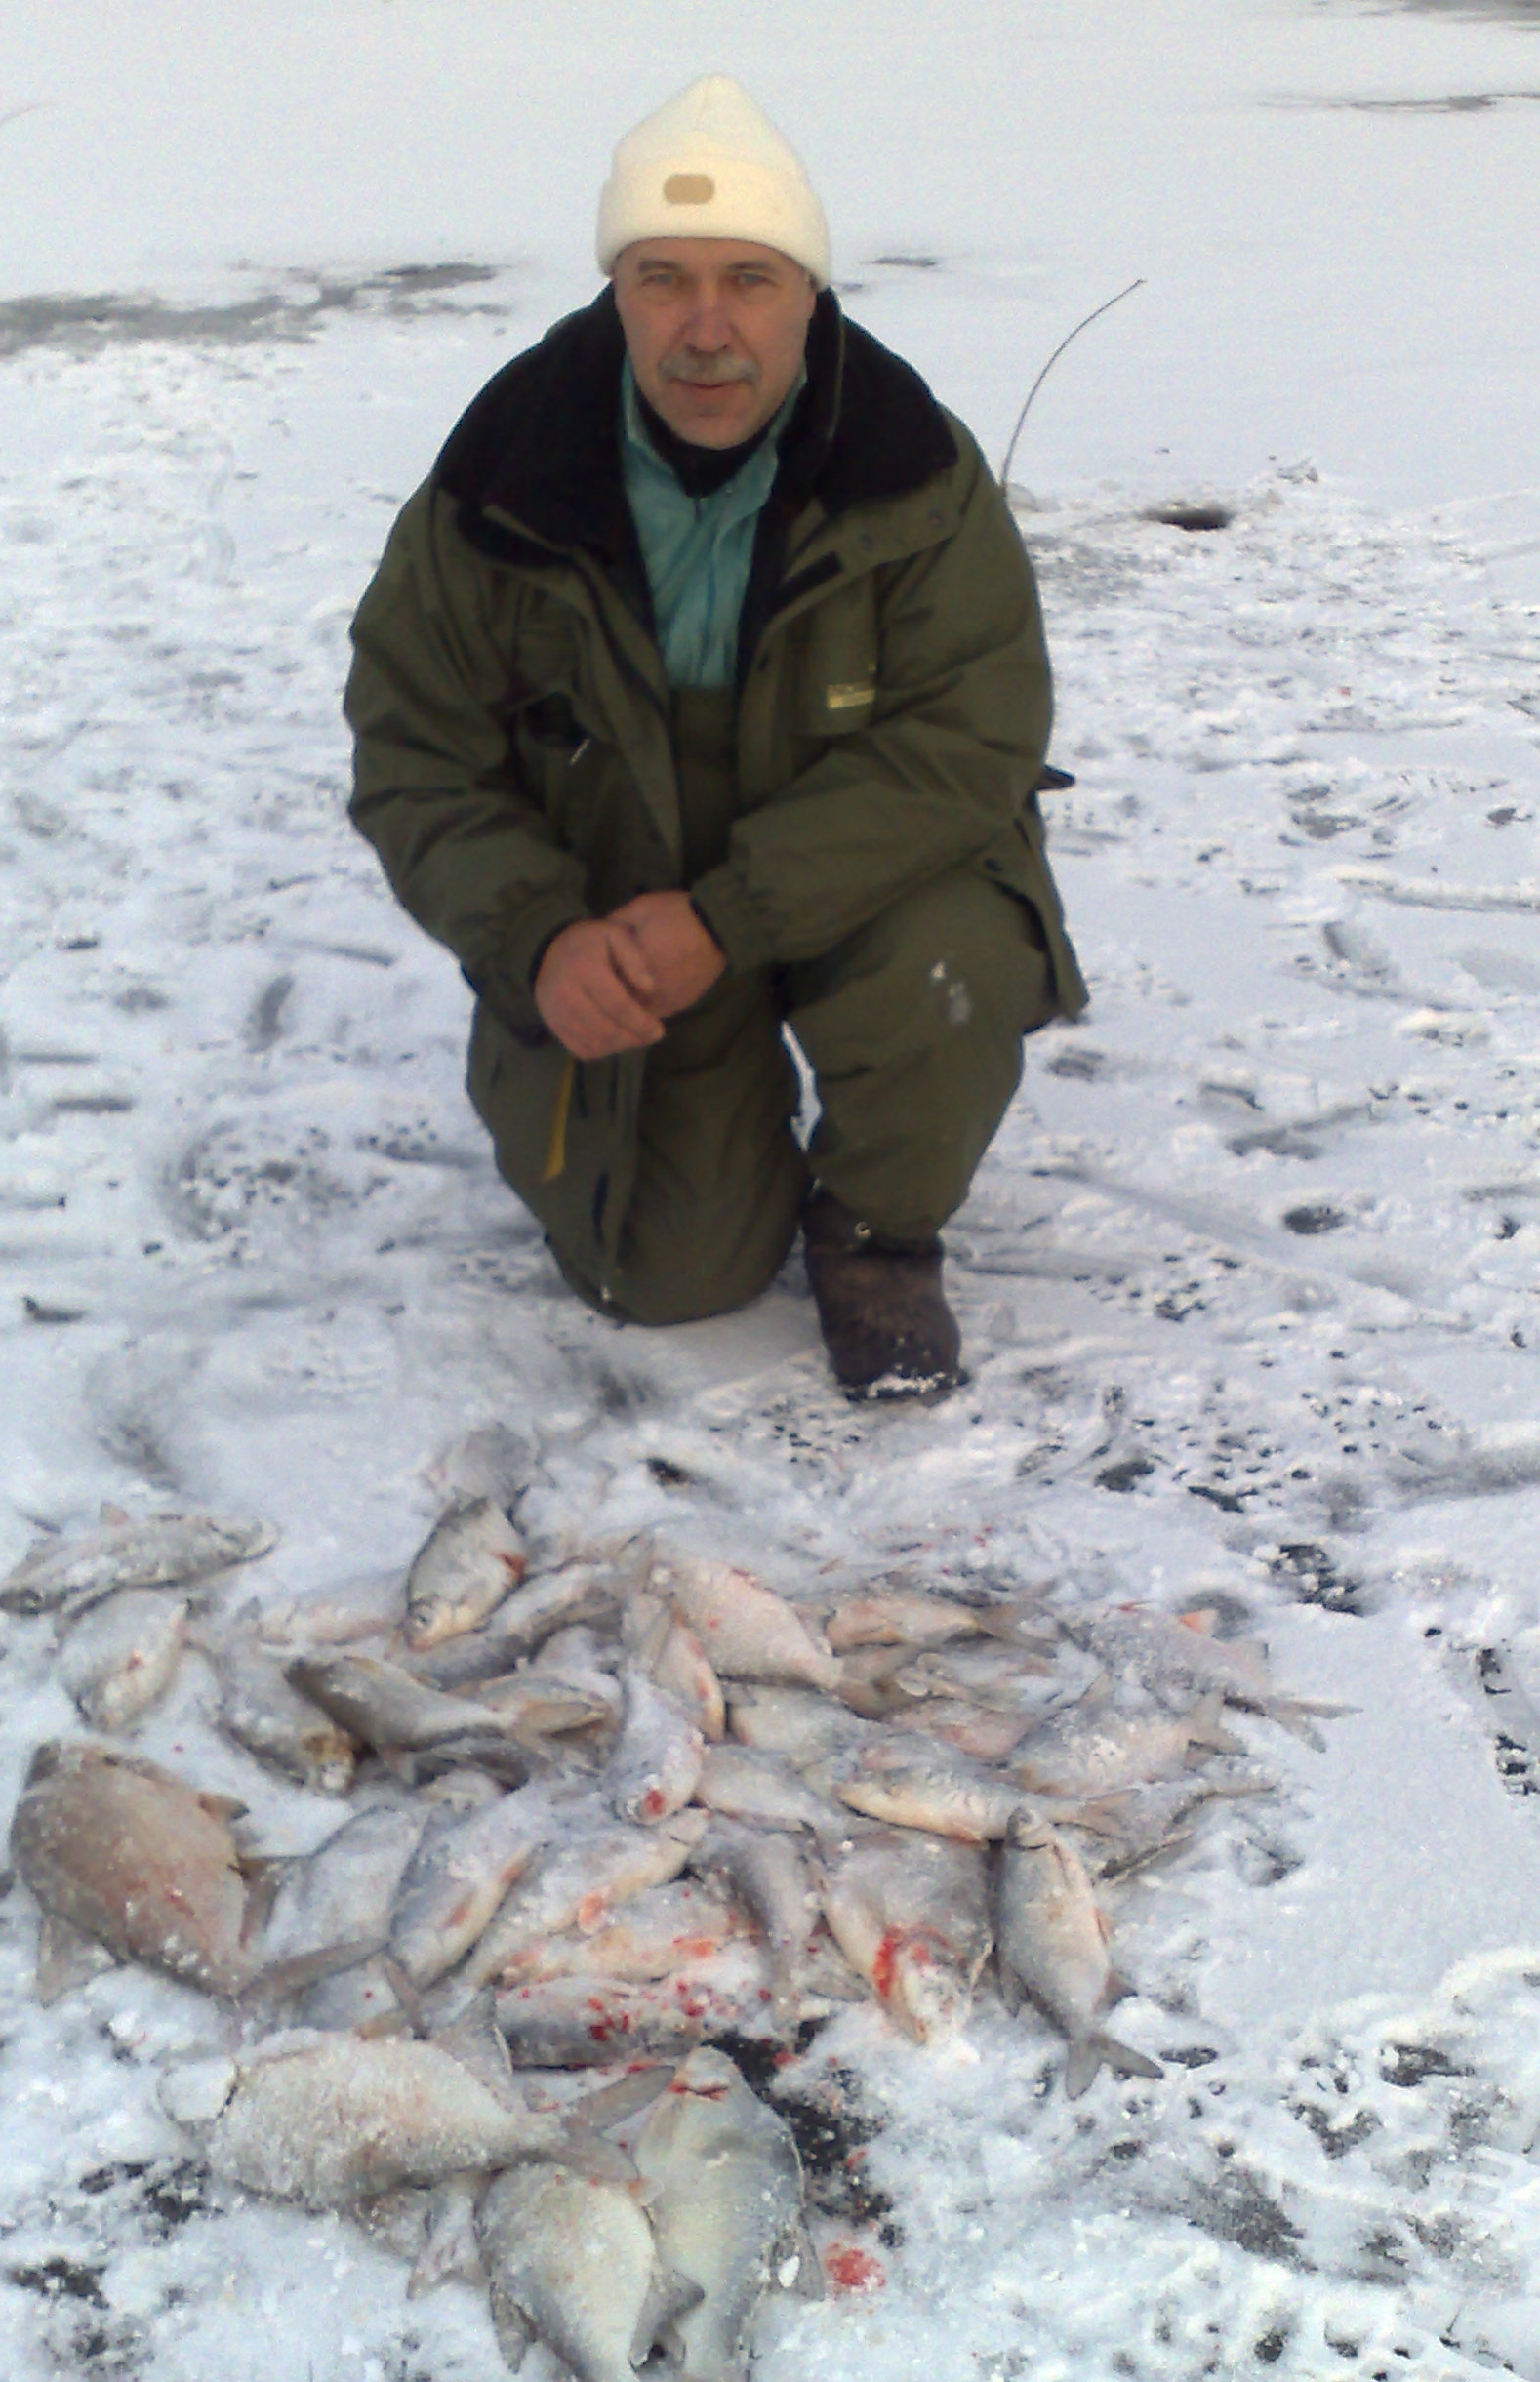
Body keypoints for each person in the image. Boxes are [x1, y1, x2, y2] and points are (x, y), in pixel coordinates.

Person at [344, 73, 1084, 1399]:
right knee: (668, 1277)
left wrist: (732, 915)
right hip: (617, 905)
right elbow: (415, 757)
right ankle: (690, 1109)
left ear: (809, 294)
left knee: (950, 969)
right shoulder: (501, 480)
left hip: (849, 873)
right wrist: (540, 939)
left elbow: (972, 738)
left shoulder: (912, 469)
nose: (706, 328)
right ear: (615, 292)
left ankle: (876, 1229)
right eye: (662, 279)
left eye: (749, 279)